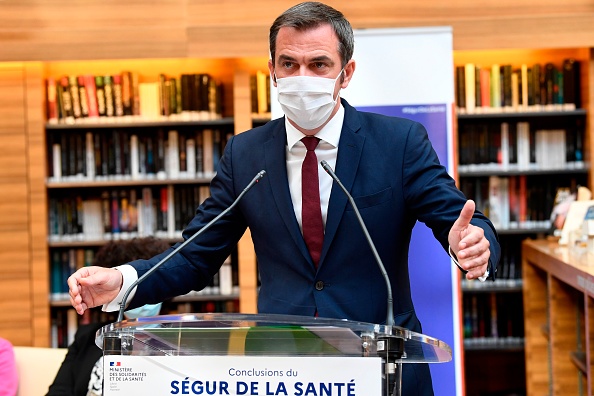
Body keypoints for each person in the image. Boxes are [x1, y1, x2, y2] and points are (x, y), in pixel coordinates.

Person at [67, 2, 500, 394]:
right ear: (271, 69)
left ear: (346, 73)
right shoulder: (246, 153)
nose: (301, 78)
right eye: (289, 64)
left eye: (318, 64)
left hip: (384, 366)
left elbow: (459, 218)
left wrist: (472, 245)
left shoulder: (399, 142)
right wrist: (123, 280)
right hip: (284, 370)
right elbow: (195, 256)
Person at [48, 237, 171, 396]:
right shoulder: (87, 337)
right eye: (133, 287)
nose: (143, 295)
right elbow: (59, 392)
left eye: (150, 285)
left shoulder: (181, 341)